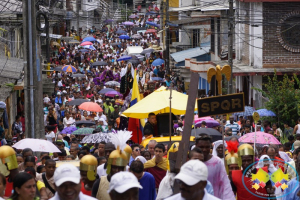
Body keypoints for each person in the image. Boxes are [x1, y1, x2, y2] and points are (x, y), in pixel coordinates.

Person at [92, 131, 131, 200]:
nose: (117, 171)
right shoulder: (99, 181)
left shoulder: (130, 178)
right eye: (114, 168)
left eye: (120, 168)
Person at [195, 135, 235, 199]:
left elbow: (225, 184)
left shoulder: (217, 162)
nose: (204, 150)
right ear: (196, 146)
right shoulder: (192, 162)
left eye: (207, 147)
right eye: (201, 147)